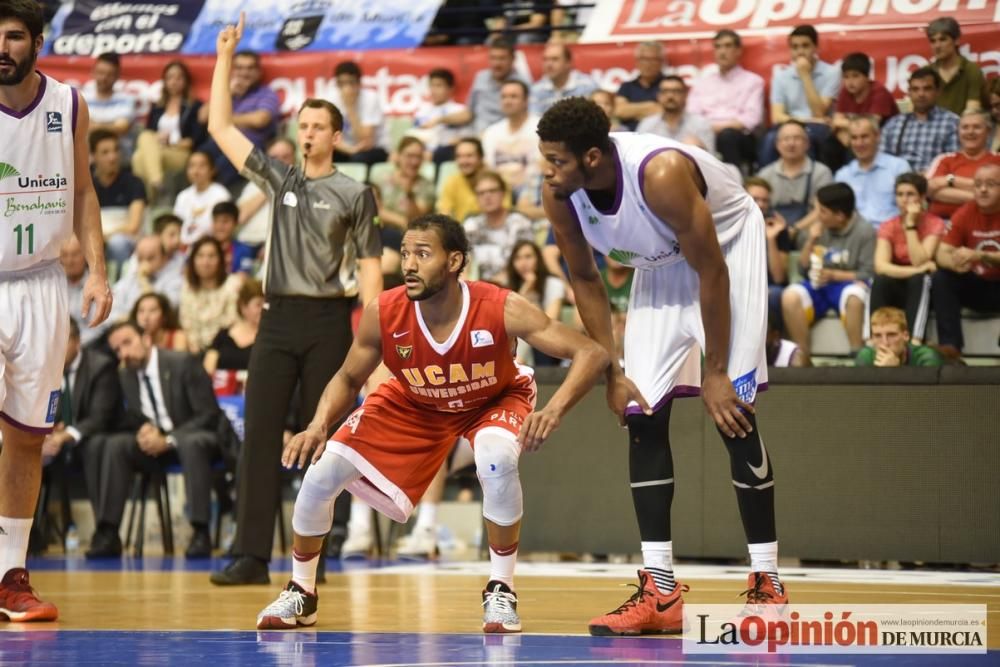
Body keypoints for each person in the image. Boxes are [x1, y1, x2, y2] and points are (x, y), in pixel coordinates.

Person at [254, 213, 609, 632]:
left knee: (496, 460)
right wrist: (317, 425)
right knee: (321, 473)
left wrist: (553, 410)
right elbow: (349, 377)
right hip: (415, 399)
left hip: (492, 398)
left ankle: (501, 589)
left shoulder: (500, 305)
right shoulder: (383, 311)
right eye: (405, 253)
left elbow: (591, 352)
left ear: (455, 261)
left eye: (422, 254)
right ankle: (302, 591)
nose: (408, 264)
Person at [537, 97, 787, 636]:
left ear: (596, 158)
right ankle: (662, 591)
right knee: (641, 412)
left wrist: (716, 371)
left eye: (557, 160)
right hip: (662, 262)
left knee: (734, 413)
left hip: (725, 251)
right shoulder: (559, 194)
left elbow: (712, 270)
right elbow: (584, 279)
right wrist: (612, 368)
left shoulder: (663, 174)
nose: (548, 171)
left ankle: (768, 581)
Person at [207, 14, 383, 586]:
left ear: (335, 136)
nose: (306, 133)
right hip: (277, 319)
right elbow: (219, 127)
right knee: (259, 434)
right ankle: (251, 556)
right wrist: (226, 57)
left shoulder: (356, 194)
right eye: (302, 125)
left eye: (317, 126)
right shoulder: (281, 181)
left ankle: (315, 557)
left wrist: (374, 339)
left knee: (326, 437)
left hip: (332, 322)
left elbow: (370, 271)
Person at [0, 0, 112, 621]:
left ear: (37, 41)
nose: (3, 47)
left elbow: (85, 190)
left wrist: (97, 269)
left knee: (25, 437)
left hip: (43, 287)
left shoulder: (69, 104)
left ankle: (10, 576)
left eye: (14, 36)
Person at [92, 321, 225, 559]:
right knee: (115, 445)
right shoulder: (124, 375)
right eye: (117, 350)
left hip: (193, 437)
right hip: (155, 446)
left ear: (146, 339)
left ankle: (200, 532)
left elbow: (209, 414)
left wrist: (170, 439)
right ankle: (108, 532)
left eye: (127, 343)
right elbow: (124, 417)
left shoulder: (183, 362)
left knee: (193, 443)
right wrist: (143, 430)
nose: (124, 353)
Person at [781, 183, 875, 362]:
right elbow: (802, 268)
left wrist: (834, 276)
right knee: (789, 296)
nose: (818, 216)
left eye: (822, 211)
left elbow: (868, 273)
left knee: (855, 298)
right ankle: (803, 359)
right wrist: (811, 240)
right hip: (817, 285)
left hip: (847, 285)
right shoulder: (818, 228)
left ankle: (858, 357)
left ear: (839, 216)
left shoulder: (865, 231)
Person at [931, 163, 1000, 355]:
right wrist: (955, 263)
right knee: (942, 277)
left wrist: (981, 255)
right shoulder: (966, 211)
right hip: (979, 285)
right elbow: (941, 253)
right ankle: (951, 347)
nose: (983, 190)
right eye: (977, 185)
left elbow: (980, 255)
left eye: (991, 184)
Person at [870, 173, 945, 343]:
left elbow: (919, 259)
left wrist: (910, 225)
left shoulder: (935, 223)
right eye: (900, 194)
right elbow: (881, 266)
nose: (904, 199)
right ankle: (873, 339)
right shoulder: (888, 225)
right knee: (880, 280)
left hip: (924, 289)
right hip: (898, 282)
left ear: (922, 197)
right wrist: (916, 270)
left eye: (910, 194)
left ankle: (914, 340)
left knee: (920, 280)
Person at [759, 25, 840, 167]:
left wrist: (805, 75)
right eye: (795, 47)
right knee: (771, 138)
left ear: (815, 48)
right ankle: (765, 183)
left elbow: (819, 112)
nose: (800, 52)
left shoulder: (831, 73)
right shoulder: (781, 76)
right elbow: (777, 117)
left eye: (805, 46)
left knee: (807, 137)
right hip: (793, 123)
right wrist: (806, 120)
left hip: (818, 128)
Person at [686, 29, 764, 172]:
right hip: (705, 133)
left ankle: (733, 185)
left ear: (738, 51)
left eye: (728, 46)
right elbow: (692, 115)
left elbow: (751, 119)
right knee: (688, 137)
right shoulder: (702, 83)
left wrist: (713, 128)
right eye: (718, 46)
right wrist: (707, 129)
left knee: (727, 136)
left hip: (738, 137)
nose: (722, 51)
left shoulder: (753, 81)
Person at [131, 60, 207, 203]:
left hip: (180, 152)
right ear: (164, 81)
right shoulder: (157, 106)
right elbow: (148, 134)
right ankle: (157, 182)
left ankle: (145, 200)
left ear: (186, 81)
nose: (174, 82)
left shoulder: (194, 106)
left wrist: (170, 142)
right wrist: (159, 140)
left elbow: (192, 141)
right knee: (143, 145)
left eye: (179, 78)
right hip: (157, 150)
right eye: (170, 78)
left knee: (140, 155)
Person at [833, 115, 911, 228]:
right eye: (854, 138)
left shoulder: (898, 167)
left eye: (864, 137)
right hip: (857, 238)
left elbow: (909, 207)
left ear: (877, 136)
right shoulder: (843, 175)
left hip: (891, 235)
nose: (859, 143)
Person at [879, 67, 959, 173]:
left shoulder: (951, 123)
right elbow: (882, 163)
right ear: (909, 92)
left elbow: (955, 164)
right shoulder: (894, 124)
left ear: (938, 91)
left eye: (927, 89)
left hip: (934, 183)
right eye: (915, 89)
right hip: (898, 184)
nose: (921, 94)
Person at [926, 109, 1000, 220]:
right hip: (943, 222)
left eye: (977, 127)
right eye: (965, 127)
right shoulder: (944, 159)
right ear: (958, 132)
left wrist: (949, 181)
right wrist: (986, 196)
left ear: (988, 132)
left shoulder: (997, 159)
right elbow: (928, 189)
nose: (970, 132)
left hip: (990, 224)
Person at [463, 171, 535, 283]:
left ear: (503, 193)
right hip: (480, 287)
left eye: (492, 191)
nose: (487, 196)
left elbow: (527, 264)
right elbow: (464, 263)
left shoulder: (520, 223)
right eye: (481, 193)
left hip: (514, 284)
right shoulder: (471, 225)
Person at [89, 129, 146, 269]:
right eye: (105, 152)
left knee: (118, 243)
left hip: (126, 239)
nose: (112, 157)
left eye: (116, 150)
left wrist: (104, 237)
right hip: (96, 239)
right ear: (93, 156)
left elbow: (133, 226)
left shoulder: (133, 182)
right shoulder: (87, 185)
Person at [506, 239, 566, 366]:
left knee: (526, 328)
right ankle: (514, 367)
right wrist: (526, 288)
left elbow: (549, 321)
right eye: (518, 258)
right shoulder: (510, 287)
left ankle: (515, 367)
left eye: (528, 257)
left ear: (538, 259)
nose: (523, 263)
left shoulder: (554, 284)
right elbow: (507, 321)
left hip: (549, 342)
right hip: (516, 342)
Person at [204, 278, 263, 395]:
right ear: (243, 307)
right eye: (258, 304)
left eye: (266, 304)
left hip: (256, 395)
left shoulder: (270, 338)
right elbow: (207, 369)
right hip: (221, 396)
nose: (264, 309)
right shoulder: (223, 335)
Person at [327, 61, 388, 166]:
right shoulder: (331, 99)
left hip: (375, 148)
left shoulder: (370, 99)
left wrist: (350, 108)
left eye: (351, 82)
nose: (346, 88)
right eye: (341, 83)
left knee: (357, 159)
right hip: (347, 149)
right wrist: (349, 150)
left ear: (359, 83)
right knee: (323, 154)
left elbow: (366, 141)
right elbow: (330, 137)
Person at [636, 75, 714, 153]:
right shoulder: (647, 124)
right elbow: (637, 157)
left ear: (685, 95)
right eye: (665, 91)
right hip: (656, 164)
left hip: (691, 164)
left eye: (676, 91)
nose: (670, 96)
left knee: (692, 143)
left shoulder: (701, 123)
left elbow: (711, 160)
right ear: (659, 96)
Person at [926, 17, 985, 115]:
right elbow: (917, 112)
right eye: (933, 41)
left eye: (942, 39)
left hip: (964, 128)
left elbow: (972, 112)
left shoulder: (971, 70)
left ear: (956, 40)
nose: (937, 46)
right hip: (933, 129)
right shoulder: (926, 72)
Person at [174, 149, 231, 247]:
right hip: (183, 248)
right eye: (191, 166)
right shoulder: (182, 196)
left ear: (212, 170)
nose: (196, 171)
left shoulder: (221, 194)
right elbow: (175, 227)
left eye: (202, 166)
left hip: (211, 247)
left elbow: (223, 228)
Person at [855, 307, 942, 367]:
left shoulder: (925, 357)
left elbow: (928, 393)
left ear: (906, 336)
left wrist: (896, 372)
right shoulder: (866, 356)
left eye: (891, 335)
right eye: (878, 336)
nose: (885, 342)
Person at [530, 42, 596, 117]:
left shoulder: (588, 86)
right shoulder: (536, 89)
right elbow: (535, 120)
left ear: (568, 62)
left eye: (555, 59)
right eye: (545, 59)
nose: (549, 64)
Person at [614, 41, 667, 130]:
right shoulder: (627, 86)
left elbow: (666, 112)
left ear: (661, 62)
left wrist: (633, 111)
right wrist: (651, 106)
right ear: (637, 61)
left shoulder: (669, 84)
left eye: (653, 59)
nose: (648, 64)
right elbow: (620, 111)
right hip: (630, 136)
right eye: (644, 59)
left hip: (660, 135)